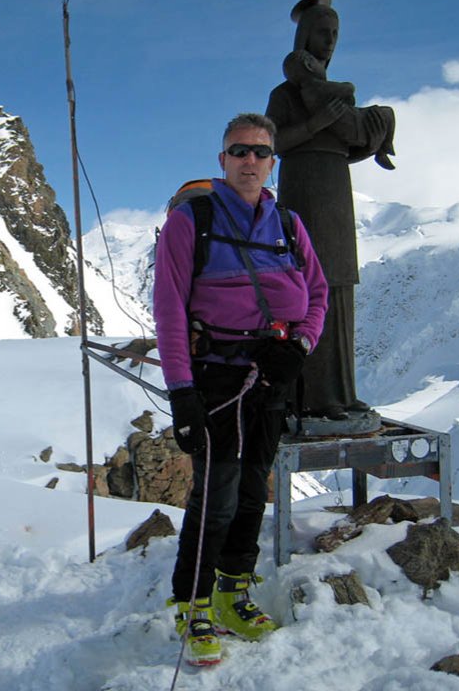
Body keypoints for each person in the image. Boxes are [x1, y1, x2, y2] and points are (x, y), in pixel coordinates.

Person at [154, 113, 328, 665]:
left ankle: (234, 591)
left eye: (259, 151)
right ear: (222, 160)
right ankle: (193, 602)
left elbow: (318, 294)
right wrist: (182, 391)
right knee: (218, 492)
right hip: (218, 376)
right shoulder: (194, 220)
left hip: (272, 373)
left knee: (254, 486)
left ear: (273, 161)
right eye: (239, 151)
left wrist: (298, 347)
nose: (249, 160)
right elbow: (170, 308)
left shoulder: (289, 225)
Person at [266, 0, 395, 420]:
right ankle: (307, 396)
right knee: (308, 288)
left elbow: (345, 146)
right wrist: (316, 125)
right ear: (305, 36)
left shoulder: (333, 96)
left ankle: (340, 392)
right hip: (302, 190)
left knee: (339, 287)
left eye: (336, 34)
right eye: (324, 32)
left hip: (336, 192)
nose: (331, 41)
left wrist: (370, 139)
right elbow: (274, 144)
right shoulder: (286, 94)